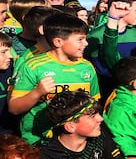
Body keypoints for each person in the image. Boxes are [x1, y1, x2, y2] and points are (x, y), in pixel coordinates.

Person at [8, 12, 100, 145]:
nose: (86, 43)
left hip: (75, 141)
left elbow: (94, 103)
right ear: (58, 42)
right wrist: (37, 92)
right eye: (80, 39)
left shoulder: (86, 67)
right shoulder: (33, 66)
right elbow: (14, 108)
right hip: (38, 142)